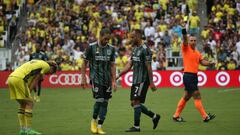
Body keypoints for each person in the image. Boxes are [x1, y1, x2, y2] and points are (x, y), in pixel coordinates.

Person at [116, 29, 160, 132]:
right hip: (136, 80)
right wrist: (118, 75)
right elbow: (129, 65)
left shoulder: (145, 49)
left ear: (139, 36)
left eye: (133, 37)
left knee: (136, 101)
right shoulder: (135, 49)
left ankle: (136, 127)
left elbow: (149, 67)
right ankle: (154, 116)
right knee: (133, 103)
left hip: (143, 80)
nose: (131, 39)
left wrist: (152, 82)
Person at [172, 27, 216, 122]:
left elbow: (202, 62)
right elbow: (184, 40)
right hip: (188, 76)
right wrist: (184, 33)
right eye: (191, 40)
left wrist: (209, 63)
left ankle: (176, 116)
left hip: (194, 76)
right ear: (189, 41)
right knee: (197, 94)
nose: (193, 42)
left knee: (187, 96)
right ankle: (205, 116)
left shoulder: (197, 52)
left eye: (194, 40)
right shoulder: (185, 48)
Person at [81, 28, 117, 135]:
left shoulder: (111, 49)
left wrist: (114, 81)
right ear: (100, 36)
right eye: (105, 39)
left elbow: (112, 65)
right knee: (100, 100)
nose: (107, 41)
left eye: (108, 39)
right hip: (95, 78)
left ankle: (100, 126)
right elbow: (84, 63)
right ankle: (93, 121)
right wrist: (83, 78)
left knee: (105, 103)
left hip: (107, 80)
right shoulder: (91, 47)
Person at [7, 60, 57, 135]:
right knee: (30, 103)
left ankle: (22, 130)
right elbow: (36, 79)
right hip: (19, 79)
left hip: (11, 78)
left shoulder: (38, 62)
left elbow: (32, 78)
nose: (48, 74)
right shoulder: (46, 66)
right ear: (52, 68)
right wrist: (29, 93)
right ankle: (28, 130)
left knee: (23, 104)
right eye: (51, 73)